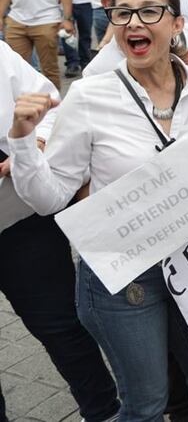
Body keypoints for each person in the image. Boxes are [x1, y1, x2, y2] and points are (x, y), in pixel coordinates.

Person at [7, 0, 188, 420]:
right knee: (147, 404)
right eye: (122, 13)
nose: (135, 22)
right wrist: (21, 142)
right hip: (126, 276)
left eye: (150, 11)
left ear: (176, 24)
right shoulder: (91, 96)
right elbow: (50, 198)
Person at [0, 41, 121, 422]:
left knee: (62, 326)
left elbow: (49, 102)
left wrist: (35, 139)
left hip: (23, 220)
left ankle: (104, 411)